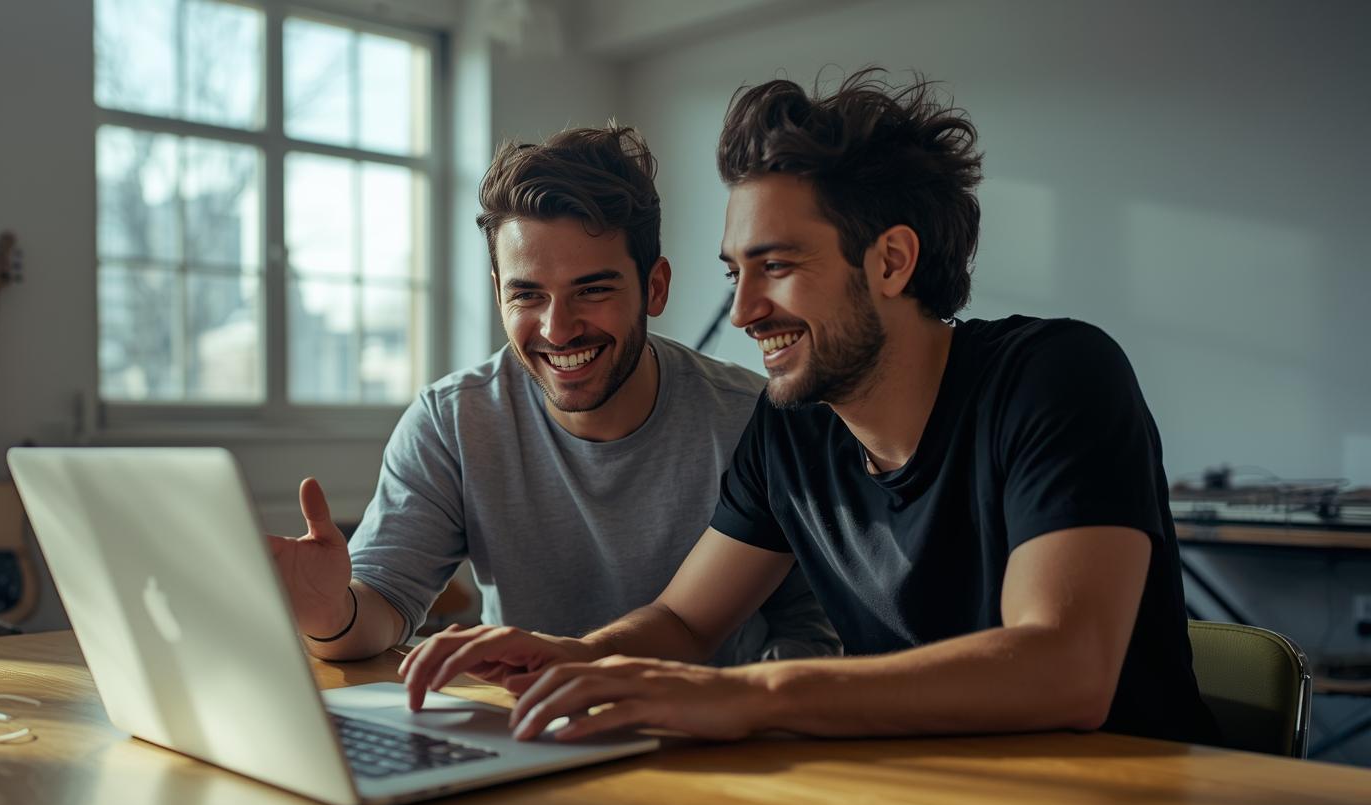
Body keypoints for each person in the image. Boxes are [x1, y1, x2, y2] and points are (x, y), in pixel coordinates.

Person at [400, 69, 1220, 748]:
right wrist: (571, 657)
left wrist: (755, 694)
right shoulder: (791, 428)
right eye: (735, 274)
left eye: (778, 267)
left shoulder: (1056, 375)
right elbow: (685, 622)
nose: (746, 311)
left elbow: (1064, 669)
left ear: (892, 260)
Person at [267, 125, 840, 669]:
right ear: (497, 294)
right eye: (528, 295)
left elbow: (811, 634)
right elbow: (381, 605)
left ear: (655, 286)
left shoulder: (758, 421)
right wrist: (330, 614)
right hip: (526, 735)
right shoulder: (453, 422)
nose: (558, 329)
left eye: (591, 290)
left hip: (708, 742)